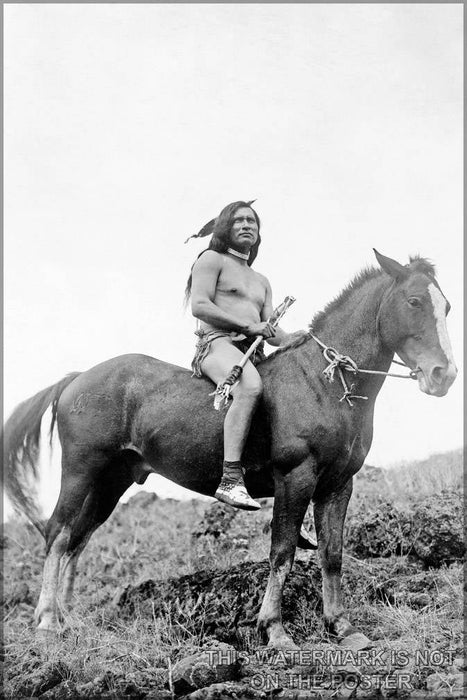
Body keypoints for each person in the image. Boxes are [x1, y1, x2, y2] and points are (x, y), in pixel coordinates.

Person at [184, 200, 297, 510]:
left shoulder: (262, 281)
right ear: (225, 228)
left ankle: (287, 500)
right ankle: (230, 479)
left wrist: (297, 339)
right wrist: (250, 326)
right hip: (217, 343)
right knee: (248, 386)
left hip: (253, 352)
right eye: (240, 220)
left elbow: (272, 331)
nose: (248, 225)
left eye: (253, 222)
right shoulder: (211, 260)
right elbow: (200, 306)